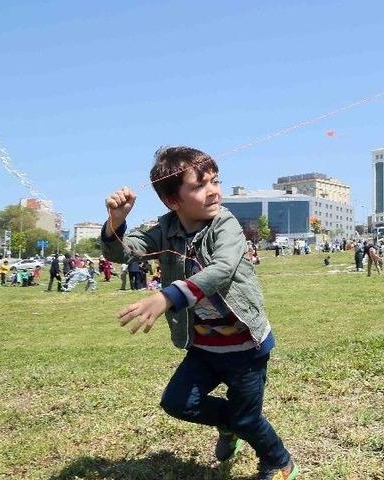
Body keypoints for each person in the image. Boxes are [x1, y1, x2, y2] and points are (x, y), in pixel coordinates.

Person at [100, 146, 298, 477]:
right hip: (204, 349)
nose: (214, 191)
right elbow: (124, 253)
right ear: (172, 201)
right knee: (177, 402)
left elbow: (221, 268)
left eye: (215, 181)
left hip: (246, 347)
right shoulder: (164, 228)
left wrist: (167, 297)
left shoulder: (226, 223)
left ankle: (280, 461)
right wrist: (116, 222)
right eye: (200, 185)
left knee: (248, 417)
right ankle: (230, 424)